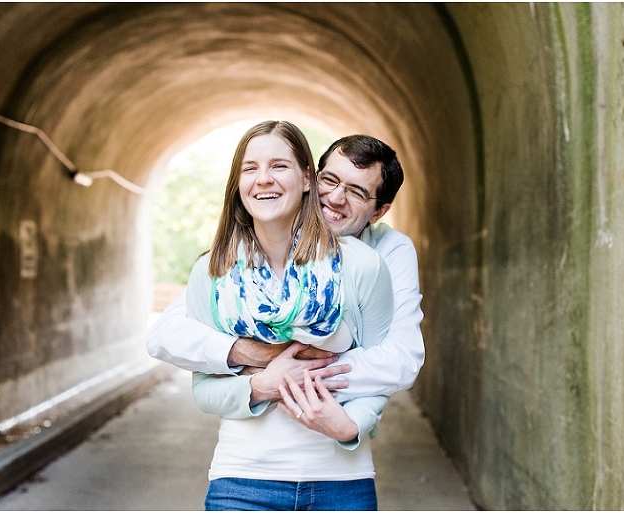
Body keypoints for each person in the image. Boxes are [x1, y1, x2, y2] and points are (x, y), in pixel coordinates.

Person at [146, 129, 425, 509]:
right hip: (243, 477)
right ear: (312, 180)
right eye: (330, 180)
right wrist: (258, 365)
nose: (335, 199)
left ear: (379, 211)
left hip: (339, 476)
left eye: (357, 192)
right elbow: (171, 336)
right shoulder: (225, 271)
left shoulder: (375, 260)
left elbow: (397, 360)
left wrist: (342, 415)